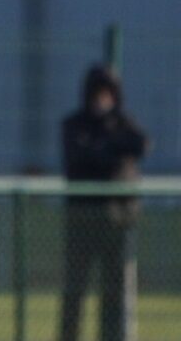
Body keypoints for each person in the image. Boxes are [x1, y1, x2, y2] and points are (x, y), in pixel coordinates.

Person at [59, 65, 149, 341]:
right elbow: (81, 157)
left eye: (107, 94)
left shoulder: (122, 122)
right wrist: (112, 151)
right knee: (75, 289)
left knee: (116, 290)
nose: (102, 100)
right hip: (83, 220)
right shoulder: (74, 124)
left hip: (118, 220)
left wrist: (107, 146)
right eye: (97, 94)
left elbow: (141, 144)